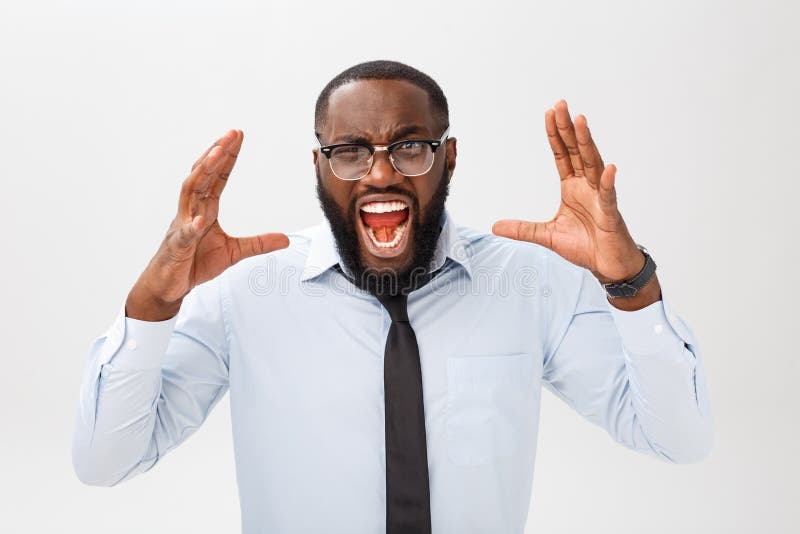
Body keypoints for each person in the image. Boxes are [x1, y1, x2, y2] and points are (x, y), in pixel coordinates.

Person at [72, 60, 713, 534]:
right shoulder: (244, 291)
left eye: (410, 146)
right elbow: (106, 461)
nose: (380, 172)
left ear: (449, 159)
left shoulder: (532, 285)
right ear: (320, 167)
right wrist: (153, 301)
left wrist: (629, 282)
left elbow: (676, 438)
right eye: (350, 152)